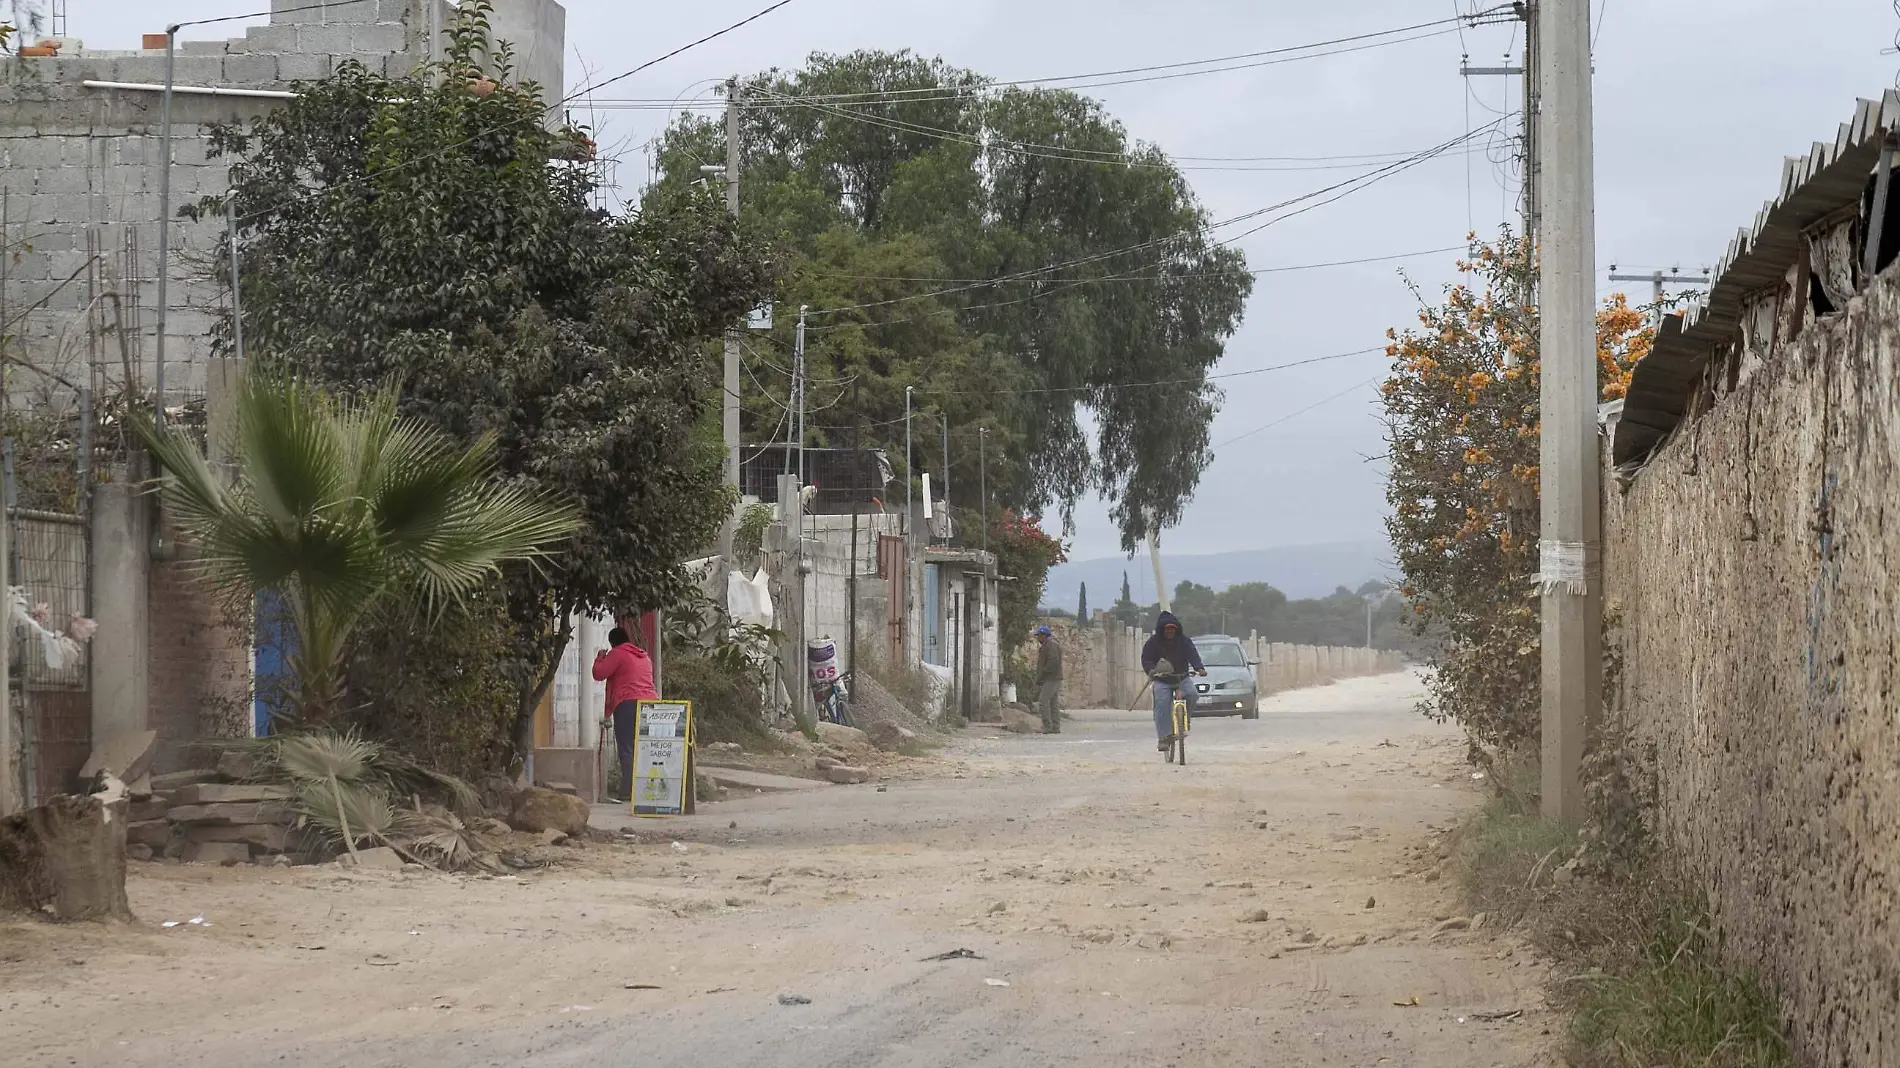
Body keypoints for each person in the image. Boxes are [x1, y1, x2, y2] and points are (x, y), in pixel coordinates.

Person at [593, 626, 658, 803]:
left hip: (628, 703)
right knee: (643, 747)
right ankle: (648, 789)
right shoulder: (643, 656)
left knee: (627, 748)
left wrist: (600, 658)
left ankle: (628, 791)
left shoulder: (618, 653)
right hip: (651, 704)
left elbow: (599, 674)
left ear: (613, 642)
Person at [1141, 610, 1206, 752]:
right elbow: (1146, 659)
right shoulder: (1153, 643)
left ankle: (1184, 722)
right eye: (1167, 629)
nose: (1170, 632)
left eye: (1172, 629)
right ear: (1162, 630)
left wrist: (1199, 668)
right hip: (1162, 680)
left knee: (1192, 694)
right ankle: (1164, 737)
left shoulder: (1184, 641)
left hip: (1182, 677)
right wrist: (1151, 670)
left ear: (1176, 629)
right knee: (1162, 703)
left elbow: (1193, 655)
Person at [1034, 624, 1064, 734]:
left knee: (1043, 701)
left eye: (1038, 636)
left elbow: (1053, 661)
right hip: (1054, 677)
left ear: (1043, 635)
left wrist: (1043, 674)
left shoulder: (1050, 645)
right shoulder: (1050, 644)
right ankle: (1055, 727)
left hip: (1051, 678)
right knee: (1053, 703)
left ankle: (1047, 726)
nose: (1037, 638)